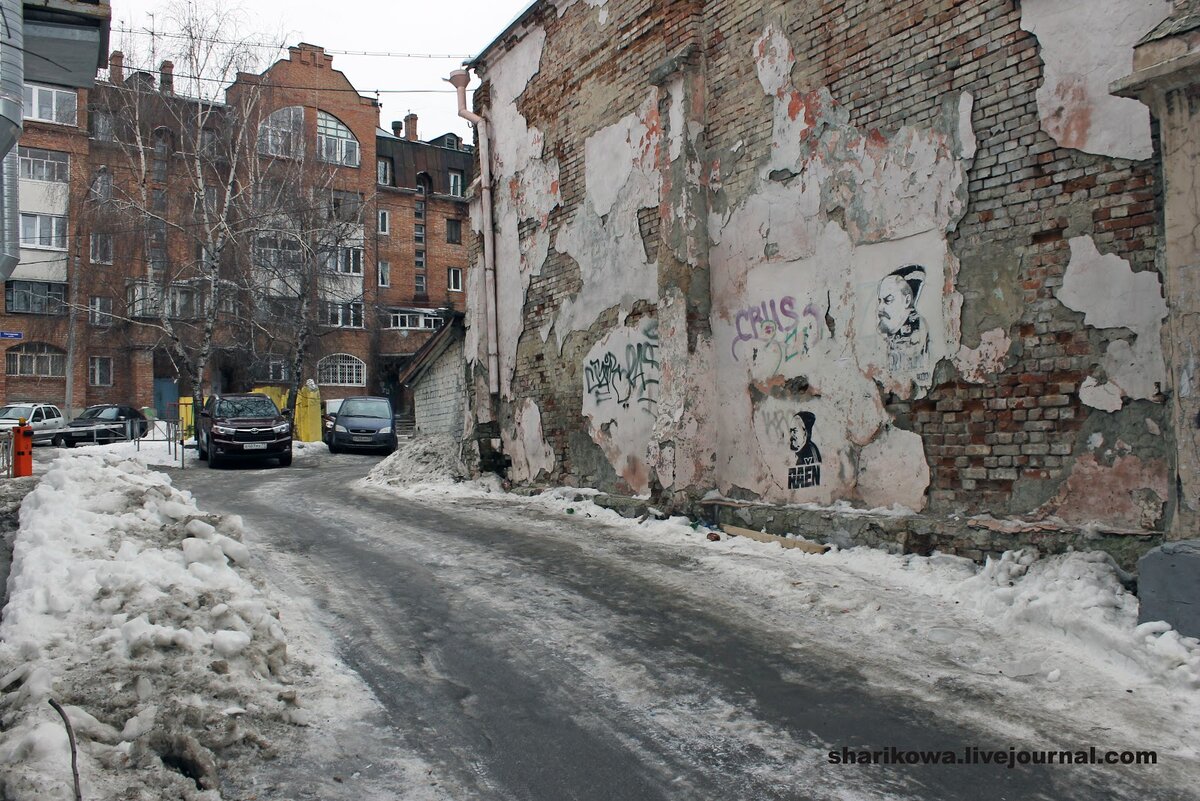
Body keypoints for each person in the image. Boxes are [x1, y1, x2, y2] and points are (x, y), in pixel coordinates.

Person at [787, 411, 821, 489]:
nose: (791, 436)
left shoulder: (812, 452)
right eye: (790, 431)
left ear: (805, 432)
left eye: (795, 431)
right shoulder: (795, 452)